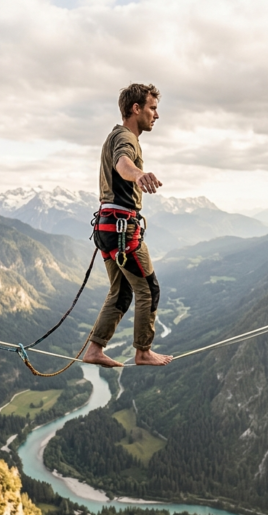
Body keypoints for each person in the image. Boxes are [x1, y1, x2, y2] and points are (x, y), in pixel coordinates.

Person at [83, 83, 173, 368]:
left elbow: (120, 163)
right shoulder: (125, 138)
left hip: (106, 230)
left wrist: (134, 174)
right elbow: (123, 163)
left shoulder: (113, 136)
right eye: (152, 108)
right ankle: (143, 351)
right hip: (123, 229)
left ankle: (95, 349)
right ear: (136, 109)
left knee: (121, 291)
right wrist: (138, 175)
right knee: (149, 288)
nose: (156, 115)